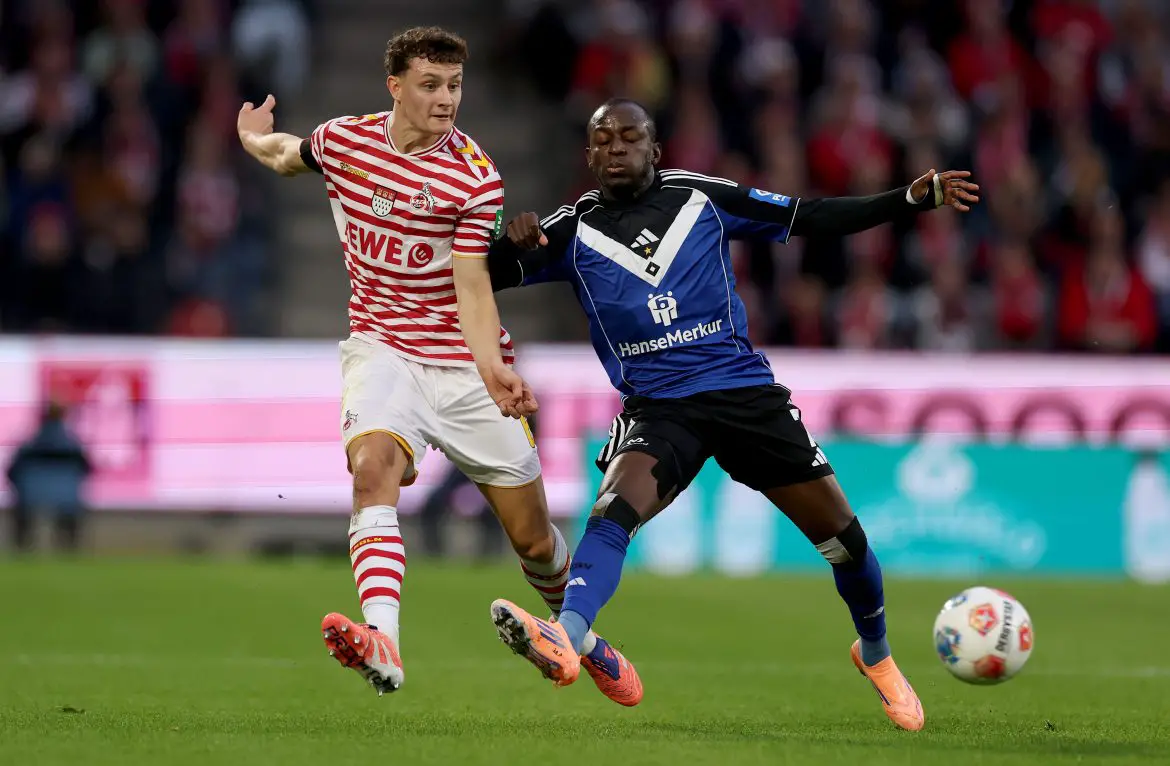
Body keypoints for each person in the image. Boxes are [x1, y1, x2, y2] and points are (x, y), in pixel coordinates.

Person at [485, 98, 980, 731]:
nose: (615, 148)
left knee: (845, 542)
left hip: (745, 397)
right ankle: (566, 634)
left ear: (655, 149)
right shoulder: (570, 229)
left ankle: (877, 655)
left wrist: (905, 201)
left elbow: (810, 218)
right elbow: (480, 274)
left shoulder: (703, 197)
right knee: (612, 512)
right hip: (661, 409)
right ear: (587, 155)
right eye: (602, 140)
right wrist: (509, 237)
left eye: (629, 137)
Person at [235, 28, 641, 703]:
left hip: (461, 367)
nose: (446, 98)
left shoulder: (473, 177)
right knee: (371, 470)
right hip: (382, 350)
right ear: (395, 87)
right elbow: (286, 155)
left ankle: (581, 639)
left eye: (454, 85)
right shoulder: (346, 141)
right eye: (430, 85)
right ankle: (384, 642)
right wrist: (253, 136)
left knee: (535, 541)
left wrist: (493, 371)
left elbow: (472, 286)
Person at [6, 401, 92, 552]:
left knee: (23, 515)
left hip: (30, 494)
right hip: (67, 495)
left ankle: (23, 547)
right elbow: (87, 469)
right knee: (69, 514)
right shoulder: (72, 444)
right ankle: (68, 548)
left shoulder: (29, 444)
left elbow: (12, 471)